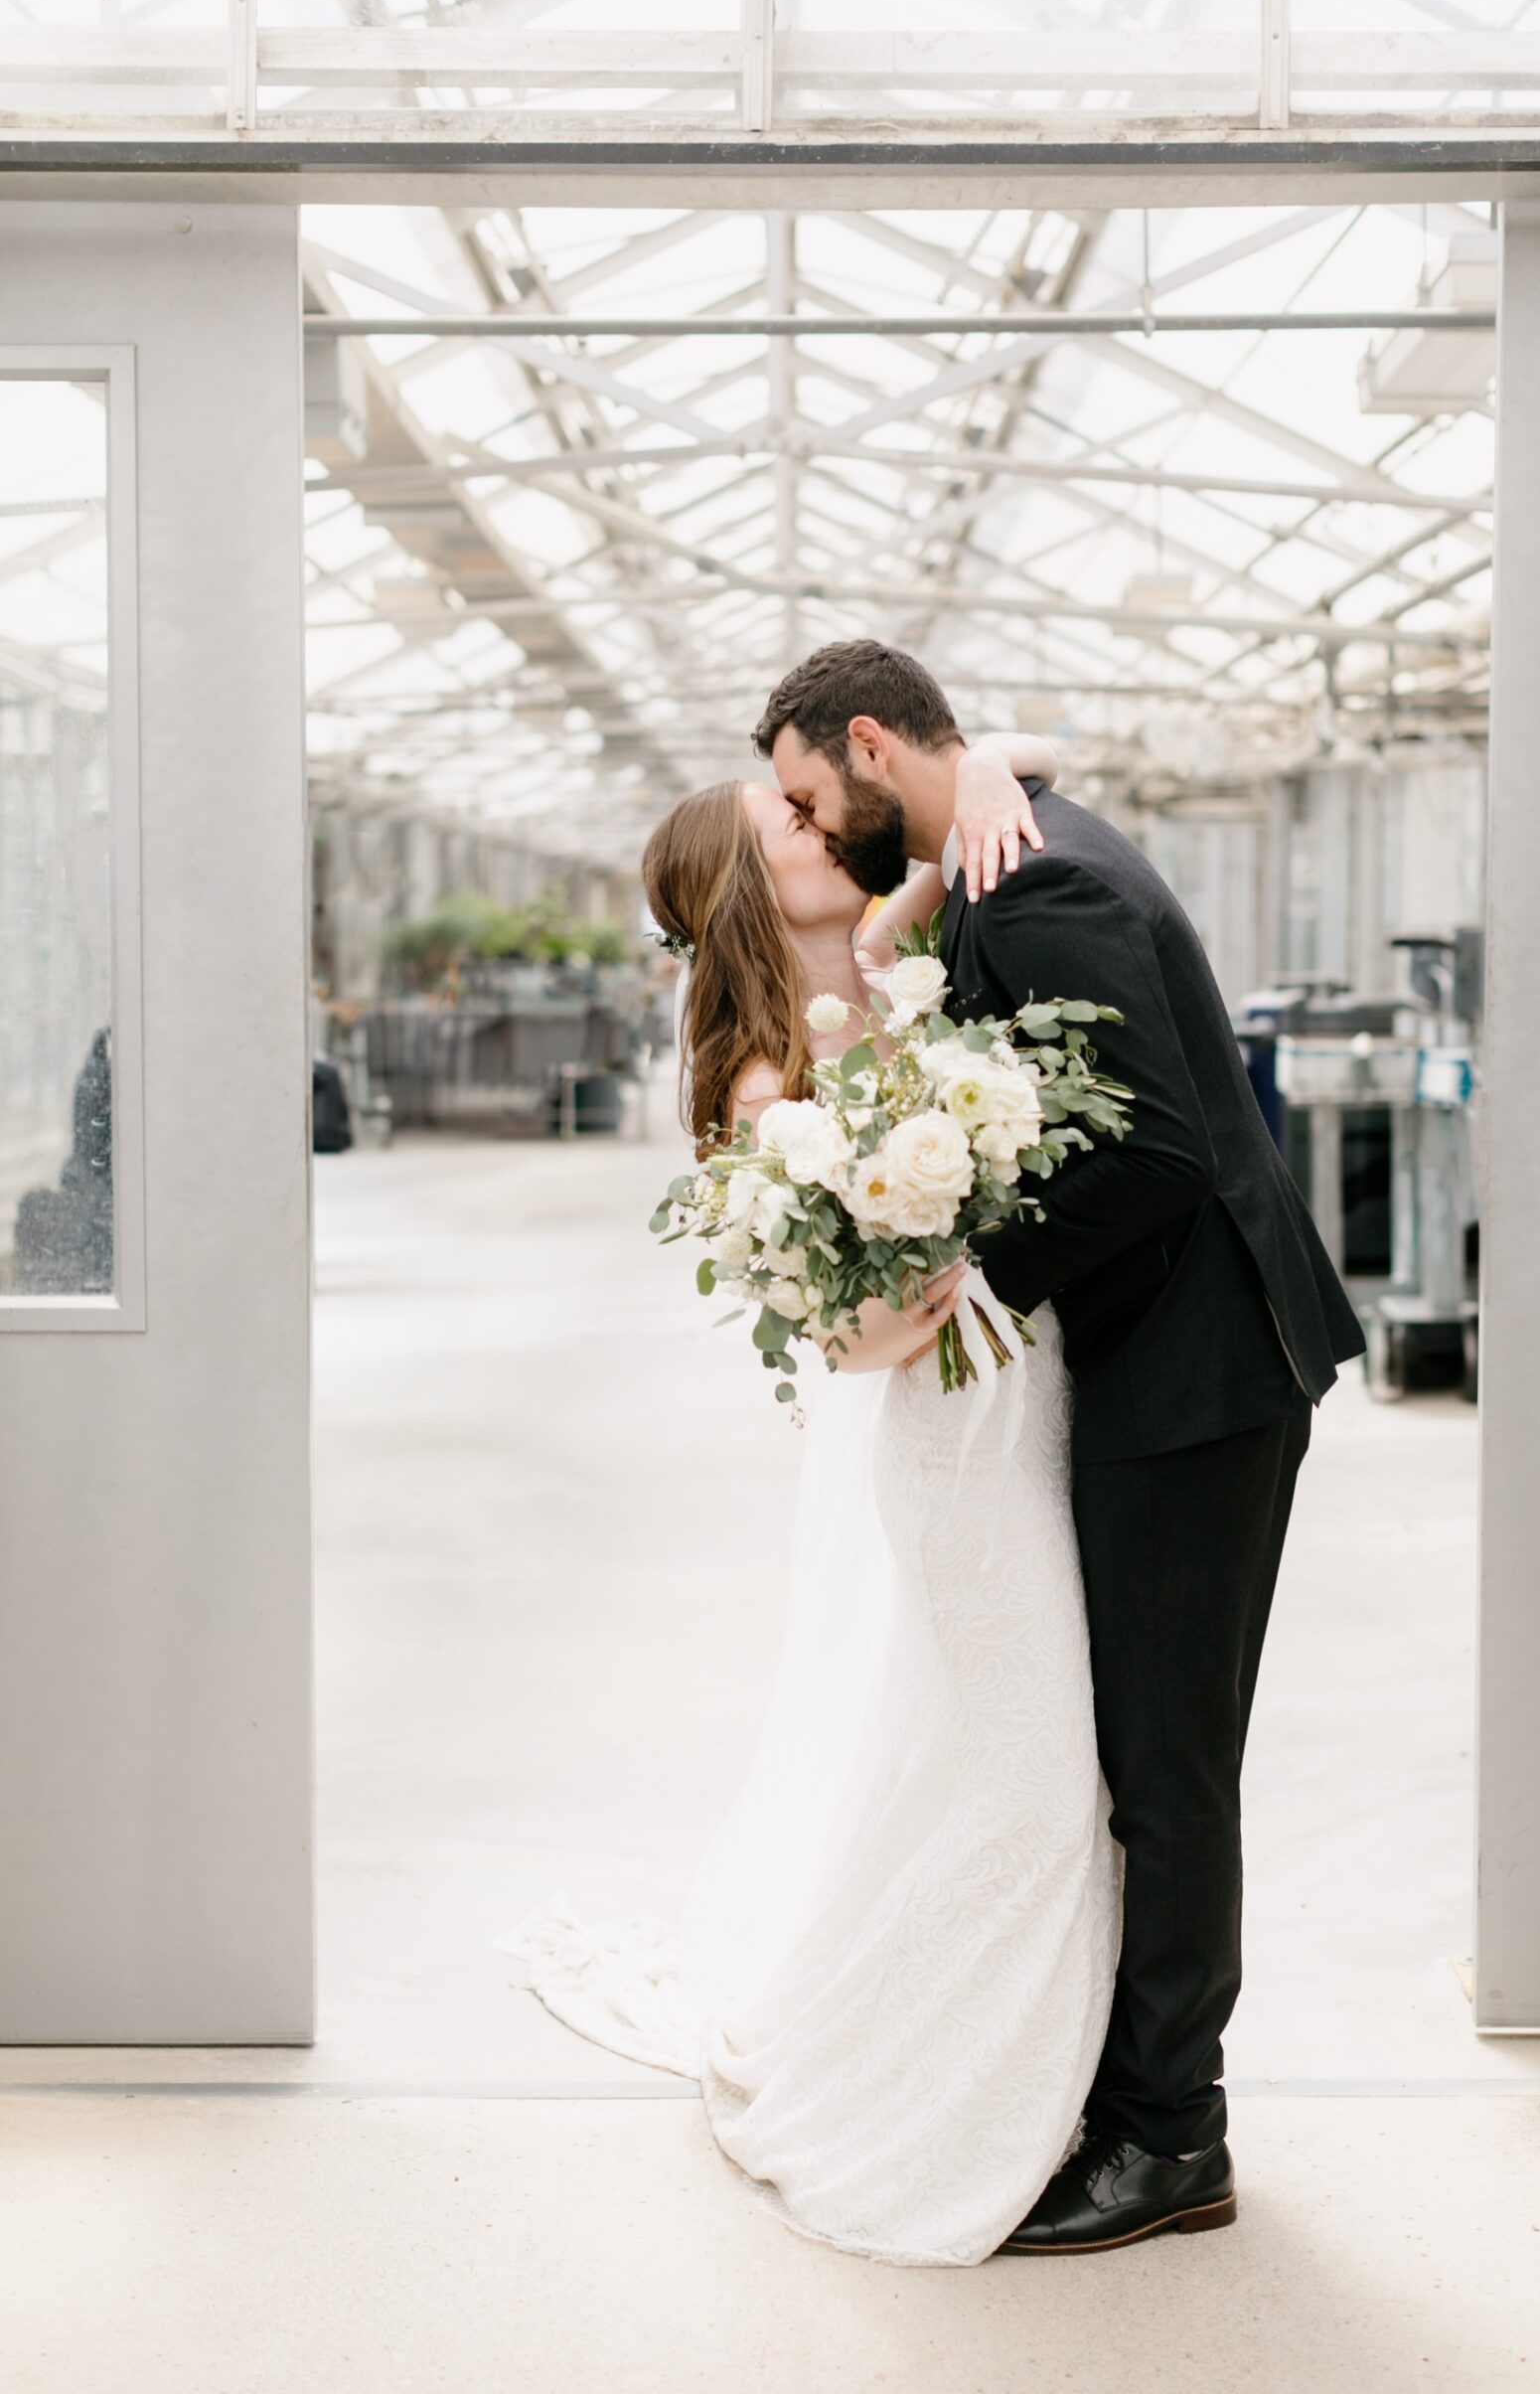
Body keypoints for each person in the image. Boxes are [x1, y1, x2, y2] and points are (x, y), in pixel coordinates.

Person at [755, 639, 1366, 2255]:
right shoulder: (1002, 850)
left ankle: (1174, 2138)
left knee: (1168, 1768)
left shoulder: (1036, 886)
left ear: (874, 747)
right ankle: (1131, 2094)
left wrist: (973, 1281)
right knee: (1140, 1754)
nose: (817, 832)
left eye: (819, 798)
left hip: (1203, 1377)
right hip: (1171, 1366)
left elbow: (1156, 1148)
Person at [496, 729, 1128, 2267]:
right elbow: (834, 1321)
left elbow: (989, 768)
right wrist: (909, 1294)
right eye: (780, 817)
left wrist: (980, 779)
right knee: (1029, 1759)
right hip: (944, 1423)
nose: (812, 816)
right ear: (744, 884)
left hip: (1026, 1403)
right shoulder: (772, 1068)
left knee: (995, 1742)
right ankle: (958, 2098)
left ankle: (1042, 2061)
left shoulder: (897, 943)